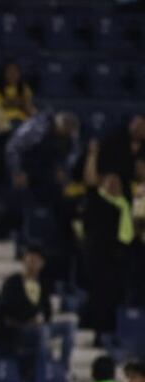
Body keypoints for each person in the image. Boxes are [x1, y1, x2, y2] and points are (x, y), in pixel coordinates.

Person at [80, 139, 133, 336]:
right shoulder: (99, 199)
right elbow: (90, 180)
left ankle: (113, 331)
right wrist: (93, 155)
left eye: (116, 180)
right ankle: (98, 331)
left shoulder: (125, 201)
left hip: (122, 254)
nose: (114, 183)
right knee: (102, 294)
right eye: (109, 180)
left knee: (118, 295)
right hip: (101, 254)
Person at [0, 245, 73, 366]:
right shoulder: (12, 282)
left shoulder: (43, 283)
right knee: (43, 331)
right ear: (24, 261)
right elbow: (7, 309)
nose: (33, 264)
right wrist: (28, 319)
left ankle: (64, 367)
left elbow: (47, 311)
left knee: (69, 325)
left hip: (39, 326)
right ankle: (42, 369)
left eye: (36, 261)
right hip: (20, 327)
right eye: (31, 260)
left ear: (42, 264)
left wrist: (42, 318)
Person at [5, 109, 80, 199]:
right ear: (59, 127)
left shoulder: (71, 137)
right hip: (26, 164)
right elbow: (13, 148)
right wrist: (16, 171)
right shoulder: (37, 127)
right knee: (20, 191)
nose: (65, 137)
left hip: (49, 169)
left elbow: (72, 155)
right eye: (64, 133)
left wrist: (64, 170)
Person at [97, 114, 145, 199]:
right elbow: (104, 166)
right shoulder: (115, 139)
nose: (139, 129)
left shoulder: (142, 145)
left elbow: (140, 169)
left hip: (130, 182)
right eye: (138, 125)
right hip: (109, 179)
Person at [0, 60, 36, 136]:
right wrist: (15, 103)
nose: (13, 74)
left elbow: (29, 107)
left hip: (23, 124)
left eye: (15, 71)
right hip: (7, 125)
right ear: (4, 74)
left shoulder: (24, 89)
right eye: (9, 71)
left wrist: (20, 104)